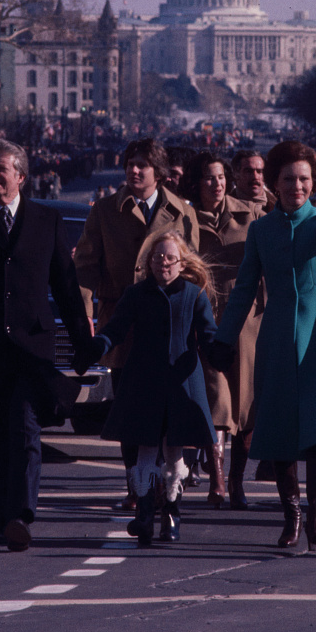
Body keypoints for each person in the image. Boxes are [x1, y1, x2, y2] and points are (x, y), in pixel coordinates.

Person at [211, 141, 316, 550]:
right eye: (288, 179)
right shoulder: (261, 229)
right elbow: (244, 290)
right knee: (281, 428)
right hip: (276, 336)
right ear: (275, 183)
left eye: (304, 179)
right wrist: (223, 338)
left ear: (313, 183)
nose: (297, 185)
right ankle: (291, 517)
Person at [0, 138, 92, 552]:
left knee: (25, 429)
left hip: (32, 349)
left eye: (1, 168)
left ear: (21, 177)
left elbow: (65, 285)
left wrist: (83, 341)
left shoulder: (46, 221)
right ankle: (0, 515)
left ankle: (21, 516)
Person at [74, 138, 199, 509]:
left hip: (169, 326)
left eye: (143, 164)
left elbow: (193, 271)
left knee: (169, 408)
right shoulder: (105, 211)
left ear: (158, 172)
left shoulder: (181, 214)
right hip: (123, 324)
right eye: (130, 163)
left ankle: (168, 483)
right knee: (129, 409)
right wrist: (86, 319)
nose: (134, 170)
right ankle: (137, 487)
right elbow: (84, 267)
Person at [79, 231, 217, 545]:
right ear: (148, 262)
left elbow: (208, 335)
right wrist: (99, 342)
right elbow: (115, 327)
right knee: (144, 450)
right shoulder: (135, 293)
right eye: (157, 257)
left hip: (182, 383)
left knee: (174, 453)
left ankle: (171, 514)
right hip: (144, 380)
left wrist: (219, 352)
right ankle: (143, 514)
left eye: (170, 258)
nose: (163, 263)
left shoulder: (195, 295)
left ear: (182, 264)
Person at [183, 151, 264, 509]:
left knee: (245, 407)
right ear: (196, 184)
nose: (216, 185)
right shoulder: (185, 219)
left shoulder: (254, 214)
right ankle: (217, 479)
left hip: (247, 322)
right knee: (217, 402)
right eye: (208, 179)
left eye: (220, 178)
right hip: (205, 322)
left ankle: (236, 482)